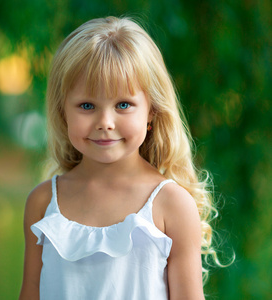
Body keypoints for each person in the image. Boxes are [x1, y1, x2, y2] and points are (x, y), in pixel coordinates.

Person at [19, 16, 220, 300]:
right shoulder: (42, 203)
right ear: (63, 111)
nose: (105, 122)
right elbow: (31, 292)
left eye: (123, 104)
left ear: (151, 110)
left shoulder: (171, 205)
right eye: (87, 105)